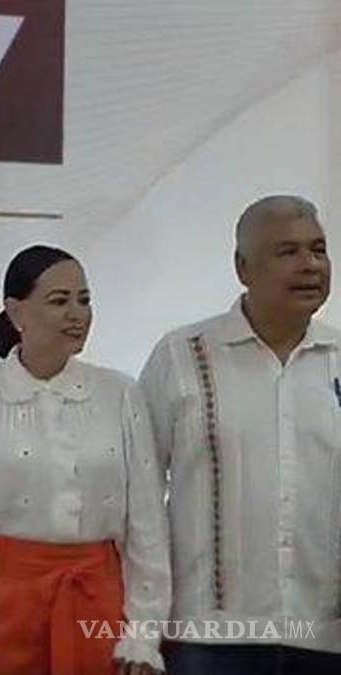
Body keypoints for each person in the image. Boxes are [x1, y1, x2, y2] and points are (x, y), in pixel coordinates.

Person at [0, 245, 169, 675]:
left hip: (99, 607)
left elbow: (147, 524)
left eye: (84, 300)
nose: (78, 314)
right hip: (2, 611)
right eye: (60, 301)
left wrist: (143, 635)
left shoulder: (120, 393)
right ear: (16, 311)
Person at [140, 195, 341, 674]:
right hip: (208, 640)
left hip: (325, 640)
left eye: (318, 249)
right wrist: (141, 628)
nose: (310, 265)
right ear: (242, 267)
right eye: (288, 251)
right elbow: (138, 499)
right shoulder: (183, 356)